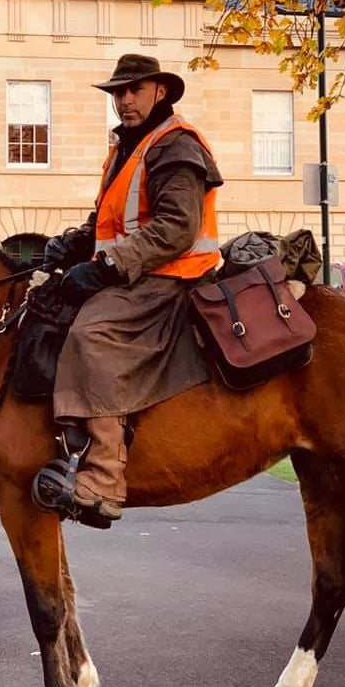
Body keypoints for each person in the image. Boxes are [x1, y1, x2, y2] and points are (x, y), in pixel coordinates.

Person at [43, 54, 223, 525]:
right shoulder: (129, 147)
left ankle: (103, 478)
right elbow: (113, 220)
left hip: (171, 275)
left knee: (93, 335)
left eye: (134, 90)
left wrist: (104, 269)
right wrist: (73, 244)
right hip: (135, 271)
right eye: (118, 92)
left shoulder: (175, 145)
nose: (124, 99)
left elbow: (178, 227)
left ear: (160, 92)